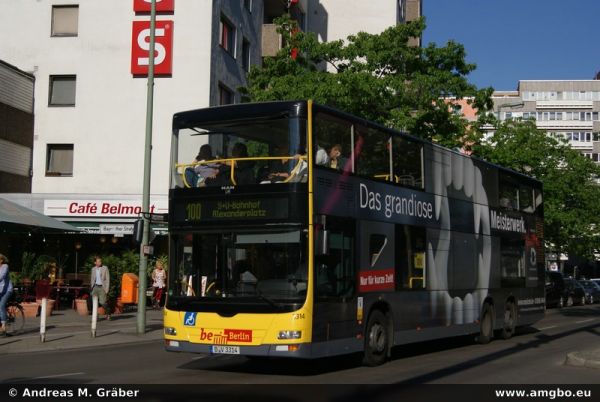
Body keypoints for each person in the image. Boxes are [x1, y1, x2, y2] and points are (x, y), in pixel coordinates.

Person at [90, 256, 111, 320]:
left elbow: (108, 279)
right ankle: (95, 316)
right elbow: (92, 279)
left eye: (100, 261)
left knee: (102, 302)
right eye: (98, 261)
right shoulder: (93, 269)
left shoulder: (105, 268)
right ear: (95, 262)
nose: (100, 262)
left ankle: (108, 313)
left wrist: (106, 289)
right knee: (94, 302)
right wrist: (92, 287)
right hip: (95, 287)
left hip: (102, 287)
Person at [0, 254, 13, 336]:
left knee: (1, 305)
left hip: (7, 290)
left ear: (1, 260)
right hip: (0, 291)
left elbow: (2, 276)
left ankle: (4, 327)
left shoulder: (5, 266)